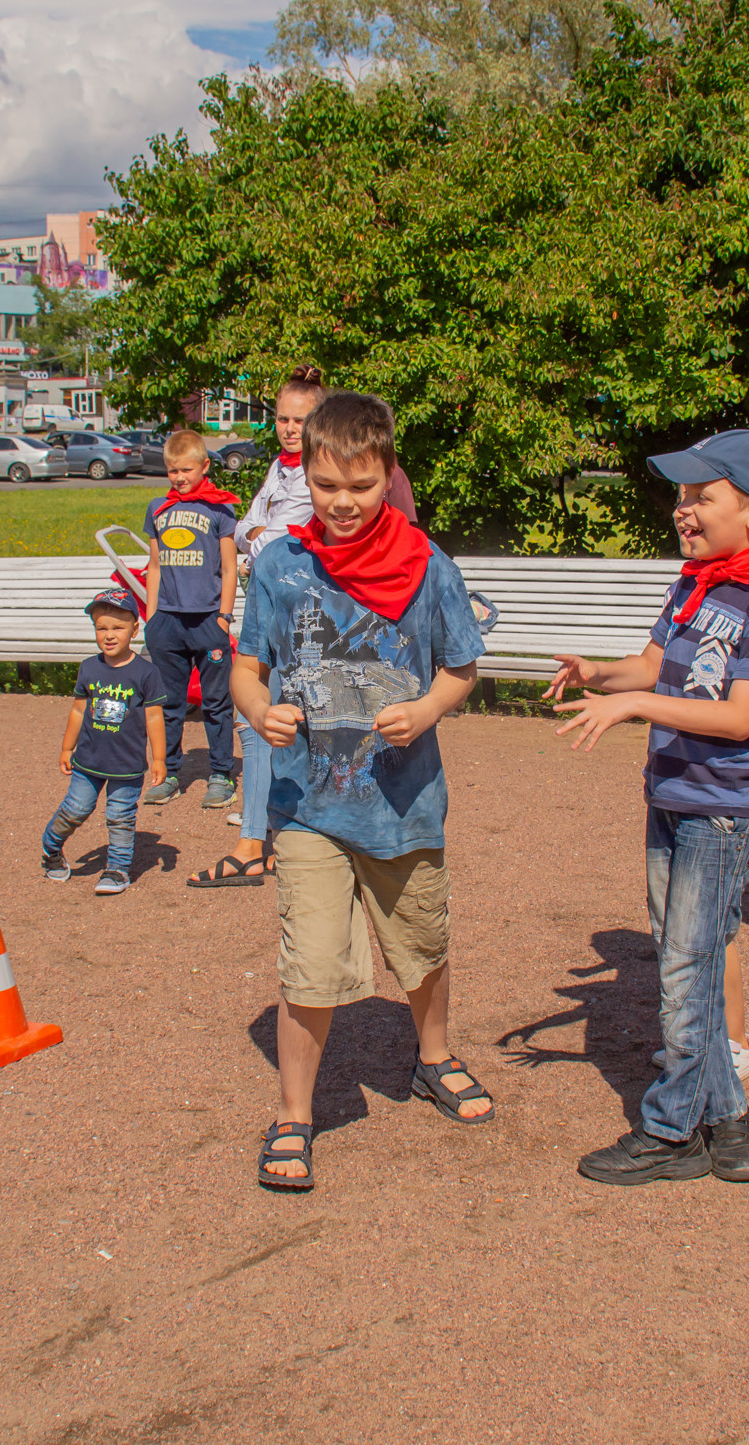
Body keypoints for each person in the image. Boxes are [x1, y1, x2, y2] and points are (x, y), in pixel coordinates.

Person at [232, 389, 492, 1190]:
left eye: (361, 485)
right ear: (302, 475)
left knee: (422, 944)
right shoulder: (280, 566)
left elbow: (462, 668)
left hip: (403, 804)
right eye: (325, 485)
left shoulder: (428, 565)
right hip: (307, 805)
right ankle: (294, 1112)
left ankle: (434, 1057)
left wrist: (427, 709)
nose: (342, 502)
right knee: (309, 961)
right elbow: (246, 669)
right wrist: (261, 712)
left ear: (389, 475)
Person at [548, 429, 749, 1186]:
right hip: (672, 794)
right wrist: (600, 673)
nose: (683, 509)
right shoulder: (696, 584)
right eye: (682, 496)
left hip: (721, 813)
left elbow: (742, 716)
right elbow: (653, 665)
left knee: (687, 967)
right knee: (686, 957)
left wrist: (635, 706)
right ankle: (726, 1120)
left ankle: (671, 1132)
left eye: (702, 496)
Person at [216, 365, 329, 885]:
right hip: (268, 602)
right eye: (283, 418)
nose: (289, 428)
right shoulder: (279, 469)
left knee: (272, 718)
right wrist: (259, 534)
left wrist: (259, 535)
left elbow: (282, 539)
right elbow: (246, 529)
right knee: (259, 716)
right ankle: (261, 835)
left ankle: (260, 841)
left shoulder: (317, 472)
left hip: (298, 610)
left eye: (300, 420)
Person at [140, 429, 239, 813]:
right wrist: (151, 618)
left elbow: (229, 568)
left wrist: (224, 617)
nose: (179, 477)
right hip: (167, 622)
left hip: (208, 622)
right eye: (172, 470)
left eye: (186, 470)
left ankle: (221, 774)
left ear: (204, 466)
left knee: (216, 702)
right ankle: (168, 773)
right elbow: (153, 566)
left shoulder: (220, 509)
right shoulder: (157, 508)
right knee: (168, 703)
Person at [44, 590, 168, 894]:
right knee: (76, 809)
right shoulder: (89, 667)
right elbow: (78, 710)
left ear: (134, 630)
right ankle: (51, 848)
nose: (109, 635)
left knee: (120, 816)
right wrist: (66, 748)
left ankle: (117, 869)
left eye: (117, 627)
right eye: (101, 628)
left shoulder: (146, 673)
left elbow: (154, 718)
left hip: (127, 764)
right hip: (88, 760)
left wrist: (159, 759)